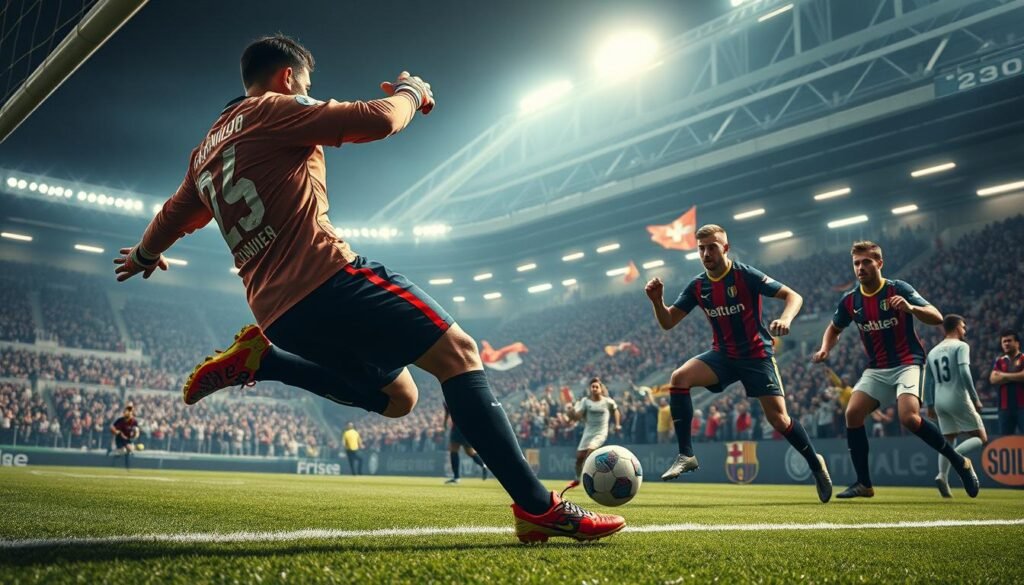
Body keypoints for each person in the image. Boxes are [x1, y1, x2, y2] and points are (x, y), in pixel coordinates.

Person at [113, 34, 622, 543]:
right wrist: (411, 91)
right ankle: (537, 507)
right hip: (328, 278)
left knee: (400, 397)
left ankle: (266, 362)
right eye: (305, 84)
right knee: (460, 354)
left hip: (279, 316)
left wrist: (143, 254)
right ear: (287, 77)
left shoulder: (203, 154)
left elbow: (172, 216)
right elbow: (379, 120)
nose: (306, 92)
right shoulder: (272, 109)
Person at [646, 224, 832, 502]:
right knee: (679, 378)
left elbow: (794, 296)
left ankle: (816, 464)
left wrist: (786, 319)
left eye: (712, 246)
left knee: (779, 420)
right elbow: (668, 322)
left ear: (725, 247)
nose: (706, 253)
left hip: (756, 355)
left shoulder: (745, 275)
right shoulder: (698, 286)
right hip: (722, 355)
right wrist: (658, 302)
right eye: (702, 248)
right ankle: (686, 454)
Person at [812, 241, 979, 499]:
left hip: (907, 362)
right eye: (856, 263)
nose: (860, 267)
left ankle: (958, 461)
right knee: (852, 413)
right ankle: (864, 484)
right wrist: (826, 348)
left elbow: (936, 316)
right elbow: (834, 328)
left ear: (880, 263)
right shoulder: (850, 301)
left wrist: (911, 308)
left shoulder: (897, 289)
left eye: (866, 262)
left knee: (908, 417)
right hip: (877, 368)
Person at [924, 314, 987, 498]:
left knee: (948, 439)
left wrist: (929, 404)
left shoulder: (933, 351)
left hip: (939, 400)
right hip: (958, 396)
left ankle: (942, 476)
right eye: (964, 326)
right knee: (981, 437)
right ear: (957, 327)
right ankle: (957, 459)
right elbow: (964, 372)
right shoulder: (961, 346)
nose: (965, 330)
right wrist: (975, 398)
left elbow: (927, 382)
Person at [564, 378, 620, 491]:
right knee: (579, 458)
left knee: (590, 451)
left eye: (596, 387)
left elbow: (616, 411)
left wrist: (618, 424)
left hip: (601, 431)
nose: (594, 388)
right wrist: (570, 413)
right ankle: (577, 478)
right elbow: (577, 417)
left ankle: (592, 478)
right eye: (592, 387)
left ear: (600, 389)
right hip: (588, 432)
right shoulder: (585, 401)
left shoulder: (607, 401)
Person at [443, 402, 488, 484]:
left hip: (458, 427)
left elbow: (447, 412)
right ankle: (483, 465)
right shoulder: (465, 396)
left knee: (454, 450)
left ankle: (456, 477)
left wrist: (445, 423)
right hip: (468, 428)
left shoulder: (450, 398)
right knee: (470, 452)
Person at [989, 330, 1024, 435]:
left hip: (1023, 407)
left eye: (1009, 341)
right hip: (1004, 408)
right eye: (1004, 342)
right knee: (1005, 440)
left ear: (1017, 343)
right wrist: (1016, 376)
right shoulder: (1000, 361)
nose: (1006, 344)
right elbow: (993, 379)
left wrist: (1004, 375)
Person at [110, 405, 139, 471]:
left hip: (128, 439)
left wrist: (135, 436)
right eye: (124, 411)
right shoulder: (120, 420)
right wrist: (118, 432)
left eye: (126, 411)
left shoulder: (134, 421)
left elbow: (137, 431)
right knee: (124, 451)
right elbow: (114, 429)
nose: (124, 412)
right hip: (120, 439)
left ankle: (128, 468)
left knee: (128, 452)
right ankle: (115, 454)